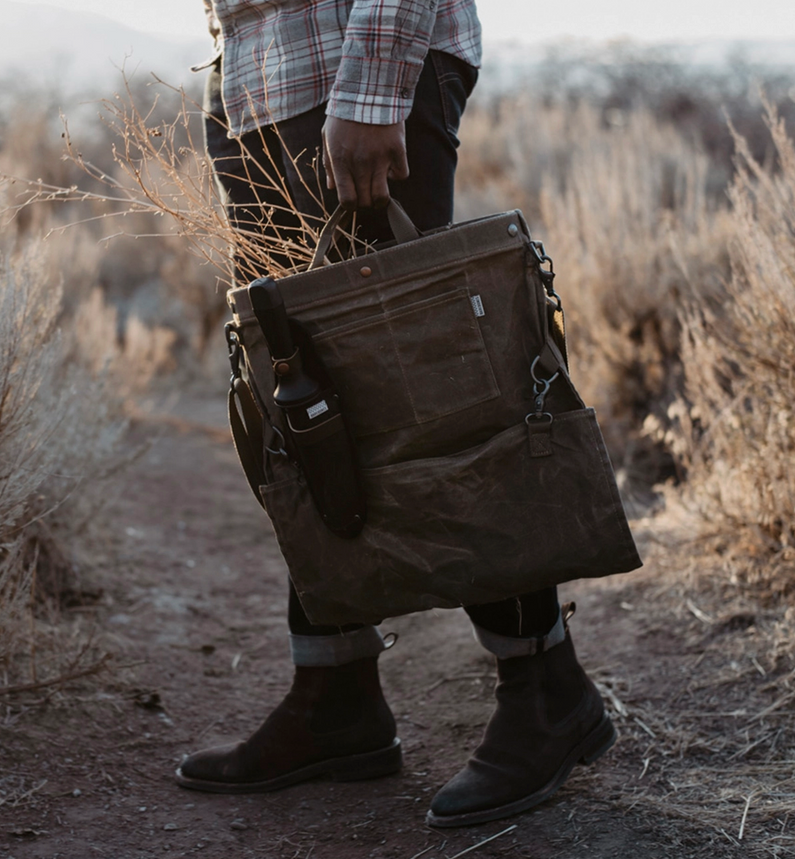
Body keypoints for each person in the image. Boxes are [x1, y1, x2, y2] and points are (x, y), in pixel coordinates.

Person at [177, 0, 616, 828]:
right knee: (301, 395)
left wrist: (375, 87)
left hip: (350, 63)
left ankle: (548, 686)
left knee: (424, 387)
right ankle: (336, 690)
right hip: (253, 71)